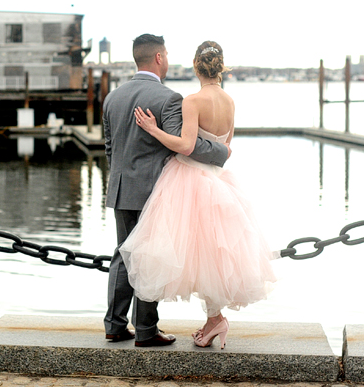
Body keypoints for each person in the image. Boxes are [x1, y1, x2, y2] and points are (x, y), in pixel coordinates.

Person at [120, 40, 277, 349]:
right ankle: (214, 319)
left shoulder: (192, 101)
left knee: (195, 255)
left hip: (190, 180)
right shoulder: (230, 102)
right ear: (222, 68)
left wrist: (153, 129)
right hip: (220, 182)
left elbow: (187, 145)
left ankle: (214, 320)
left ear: (195, 67)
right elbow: (226, 149)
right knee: (213, 256)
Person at [103, 34, 230, 347]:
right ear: (159, 58)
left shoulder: (112, 97)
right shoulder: (168, 98)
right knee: (150, 256)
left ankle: (114, 326)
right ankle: (145, 332)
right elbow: (188, 147)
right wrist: (222, 150)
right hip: (155, 191)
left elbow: (109, 147)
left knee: (123, 254)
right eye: (167, 55)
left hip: (120, 188)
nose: (169, 60)